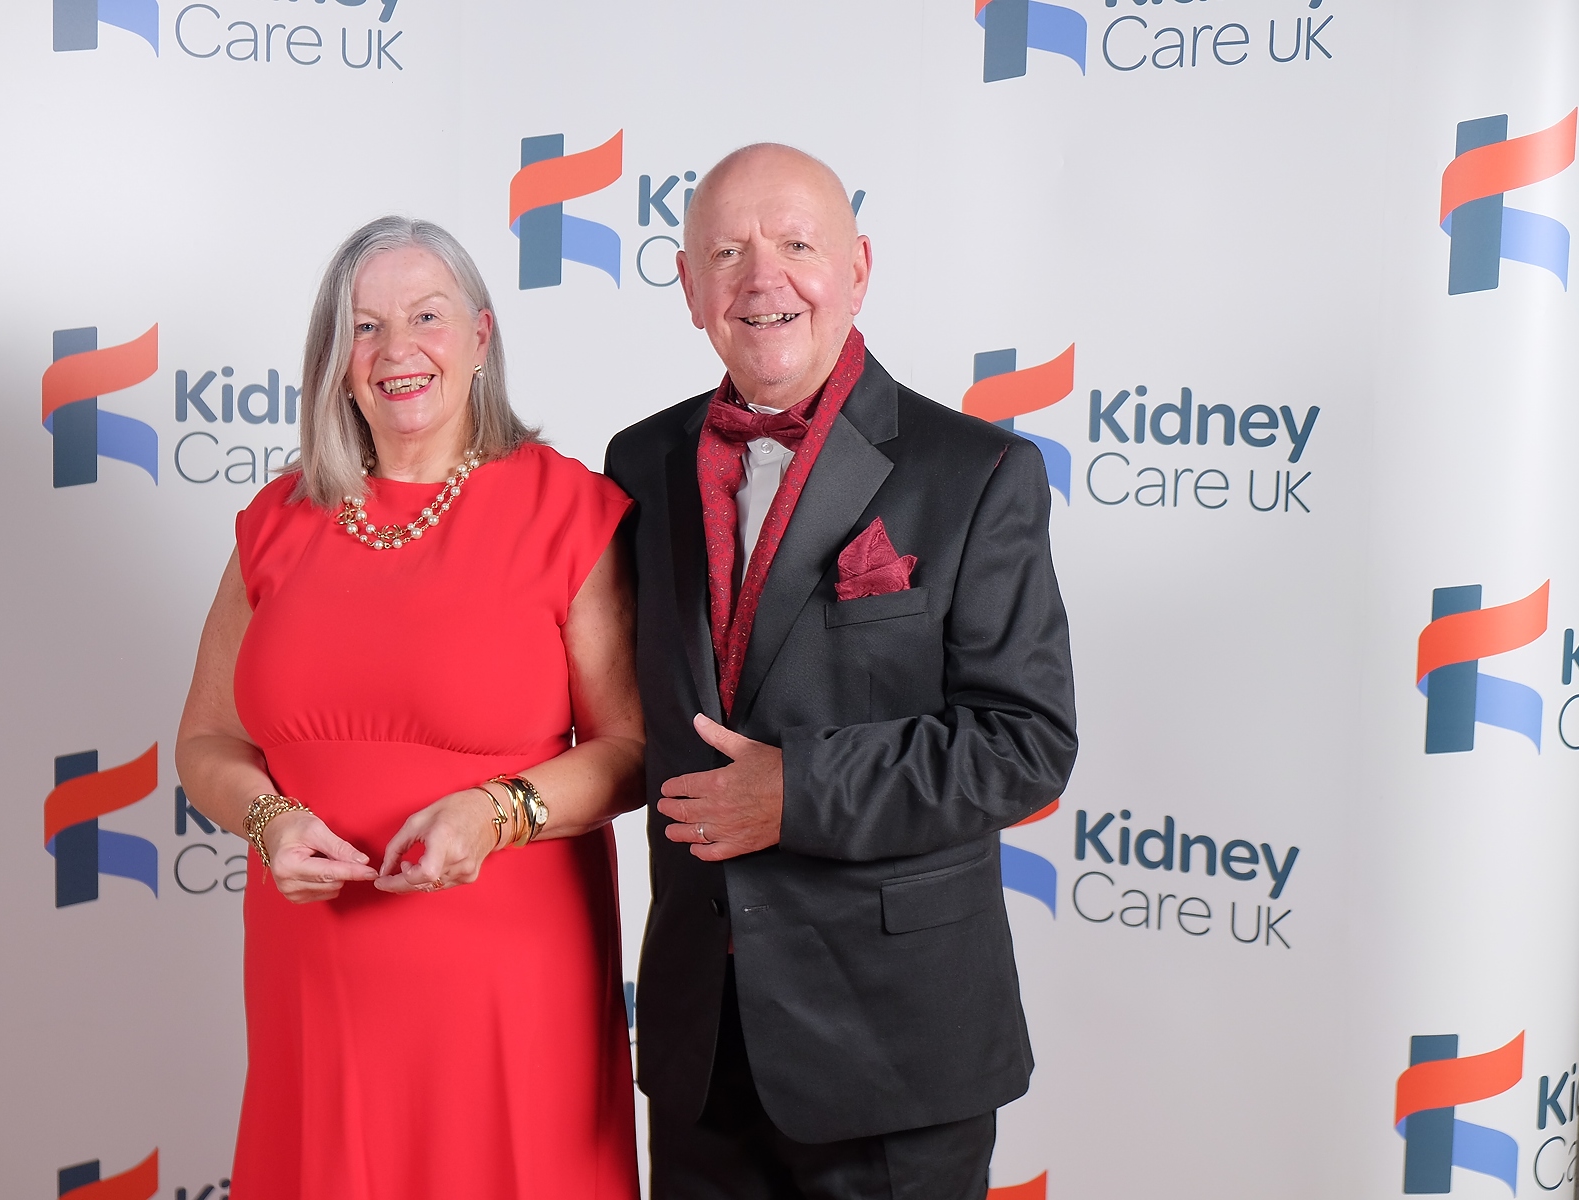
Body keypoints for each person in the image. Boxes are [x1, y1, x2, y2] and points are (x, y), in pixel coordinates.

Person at [604, 145, 1078, 1198]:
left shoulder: (980, 473)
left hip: (895, 1057)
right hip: (698, 1048)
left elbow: (1027, 743)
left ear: (858, 269)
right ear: (688, 288)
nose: (762, 280)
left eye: (797, 246)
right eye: (726, 253)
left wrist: (797, 791)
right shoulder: (639, 465)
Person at [176, 216, 643, 1200]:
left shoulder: (569, 511)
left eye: (427, 317)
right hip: (316, 984)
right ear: (335, 363)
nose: (398, 351)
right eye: (365, 326)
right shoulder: (277, 523)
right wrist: (267, 819)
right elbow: (208, 739)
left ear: (480, 337)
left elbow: (631, 748)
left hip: (509, 987)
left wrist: (499, 810)